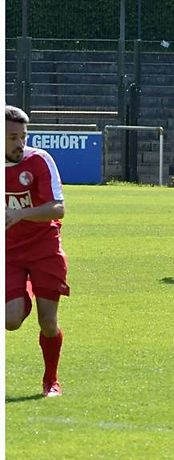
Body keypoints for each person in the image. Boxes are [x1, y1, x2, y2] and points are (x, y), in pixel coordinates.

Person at [5, 105, 69, 398]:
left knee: (48, 322)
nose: (20, 143)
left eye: (23, 136)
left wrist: (20, 214)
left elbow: (58, 209)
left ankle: (51, 380)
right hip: (9, 252)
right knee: (11, 320)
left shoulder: (40, 160)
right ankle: (24, 293)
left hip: (44, 246)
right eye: (12, 138)